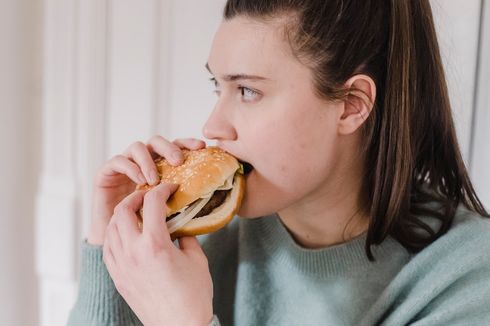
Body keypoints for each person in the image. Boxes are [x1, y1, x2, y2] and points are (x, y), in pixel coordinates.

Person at [68, 0, 490, 325]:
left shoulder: (463, 277)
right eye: (219, 87)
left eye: (248, 91)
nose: (213, 125)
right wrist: (109, 249)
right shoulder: (200, 238)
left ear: (350, 106)